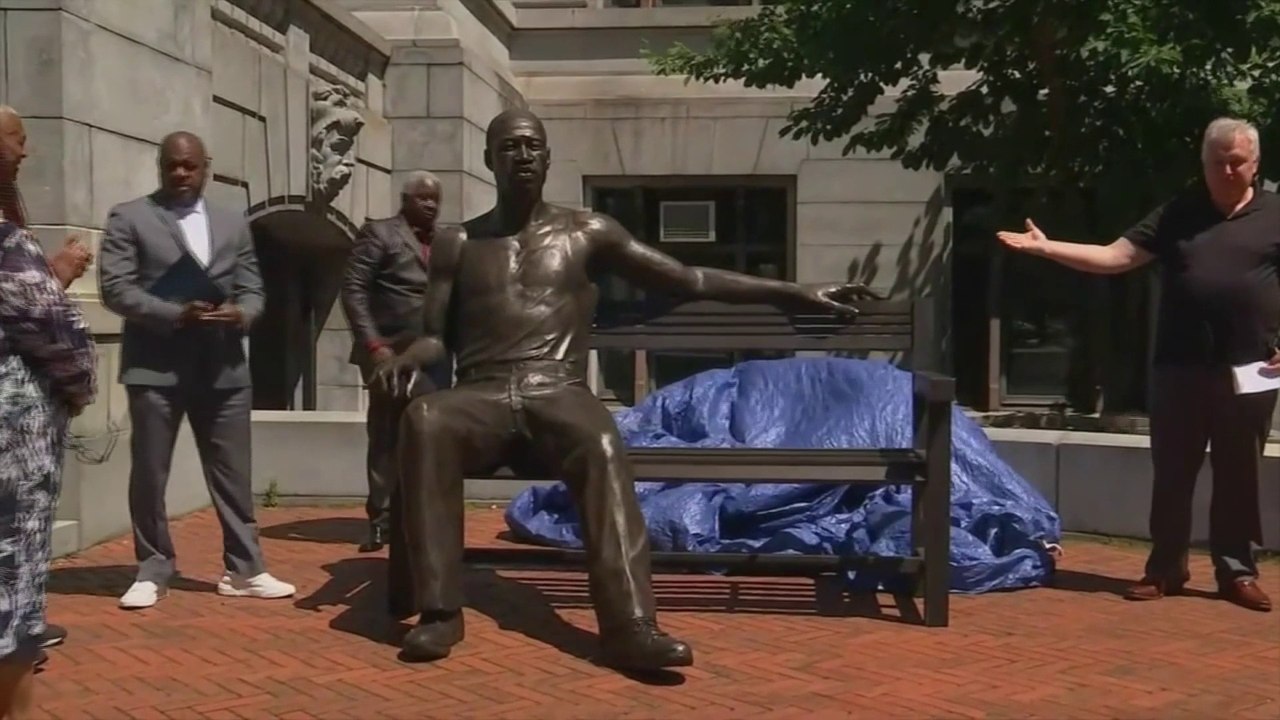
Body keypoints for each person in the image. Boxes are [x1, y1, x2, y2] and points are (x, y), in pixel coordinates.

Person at [375, 108, 874, 669]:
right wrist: (405, 358)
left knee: (602, 442)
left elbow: (689, 279)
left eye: (532, 146)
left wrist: (793, 291)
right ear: (489, 159)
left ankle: (630, 624)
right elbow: (435, 338)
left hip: (557, 389)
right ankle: (441, 613)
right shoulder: (457, 242)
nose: (522, 156)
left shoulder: (587, 231)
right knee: (425, 419)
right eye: (509, 147)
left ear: (547, 158)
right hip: (481, 395)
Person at [998, 116, 1279, 613]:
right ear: (1204, 164)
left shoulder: (1274, 213)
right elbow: (1114, 257)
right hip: (1178, 368)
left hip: (1252, 370)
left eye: (1238, 162)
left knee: (1239, 474)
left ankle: (1236, 572)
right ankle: (1165, 568)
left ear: (1256, 164)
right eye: (1218, 162)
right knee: (1173, 473)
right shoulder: (1178, 213)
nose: (1228, 170)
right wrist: (1046, 248)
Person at [97, 131, 295, 610]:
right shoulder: (131, 217)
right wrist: (173, 313)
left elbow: (252, 290)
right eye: (172, 166)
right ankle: (152, 568)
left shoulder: (233, 223)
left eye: (190, 166)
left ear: (206, 166)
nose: (181, 174)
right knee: (150, 472)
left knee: (233, 473)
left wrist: (242, 314)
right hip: (156, 367)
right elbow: (115, 289)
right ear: (160, 167)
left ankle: (244, 569)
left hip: (223, 366)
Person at [0, 105, 97, 717]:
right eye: (17, 138)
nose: (26, 152)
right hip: (12, 449)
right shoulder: (7, 244)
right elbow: (59, 337)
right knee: (11, 589)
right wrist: (82, 386)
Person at [340, 171, 456, 553]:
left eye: (435, 198)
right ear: (405, 200)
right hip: (387, 352)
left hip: (434, 352)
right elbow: (354, 290)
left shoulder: (447, 243)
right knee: (387, 432)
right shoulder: (380, 234)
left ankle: (425, 514)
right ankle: (382, 519)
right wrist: (375, 346)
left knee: (433, 429)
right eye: (422, 197)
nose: (430, 204)